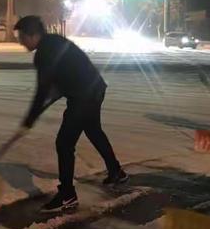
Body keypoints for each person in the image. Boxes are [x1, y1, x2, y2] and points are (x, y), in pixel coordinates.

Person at [15, 16, 127, 213]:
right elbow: (64, 74)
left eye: (22, 37)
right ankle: (116, 171)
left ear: (33, 35)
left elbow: (43, 89)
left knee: (64, 143)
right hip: (95, 88)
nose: (20, 41)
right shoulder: (55, 42)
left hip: (84, 95)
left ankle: (67, 195)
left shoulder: (44, 53)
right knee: (93, 131)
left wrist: (29, 119)